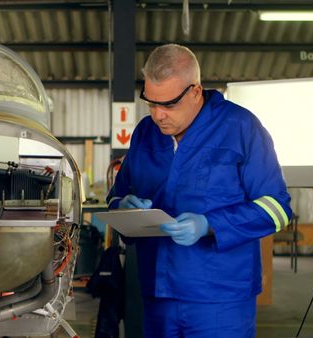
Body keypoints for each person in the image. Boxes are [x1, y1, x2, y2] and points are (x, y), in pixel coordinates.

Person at [106, 43, 292, 338]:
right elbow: (117, 194)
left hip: (220, 298)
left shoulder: (241, 127)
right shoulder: (144, 133)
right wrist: (122, 206)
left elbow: (278, 208)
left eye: (168, 104)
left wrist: (211, 225)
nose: (158, 115)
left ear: (195, 91)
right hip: (157, 292)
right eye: (151, 103)